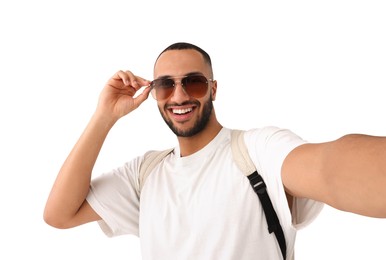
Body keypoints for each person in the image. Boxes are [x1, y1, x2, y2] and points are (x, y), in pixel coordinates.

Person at [44, 42, 386, 260]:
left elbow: (329, 168)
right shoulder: (145, 174)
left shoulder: (256, 150)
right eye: (165, 85)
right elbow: (59, 214)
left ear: (213, 89)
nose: (178, 96)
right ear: (154, 94)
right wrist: (104, 116)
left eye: (192, 82)